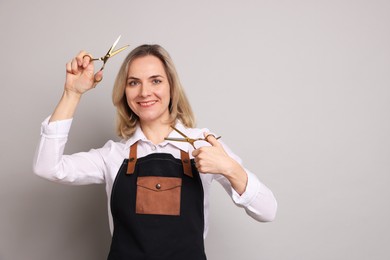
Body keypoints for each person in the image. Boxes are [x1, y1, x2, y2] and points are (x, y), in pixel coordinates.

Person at [33, 44, 277, 259]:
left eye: (156, 80)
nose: (144, 92)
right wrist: (72, 93)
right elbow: (47, 167)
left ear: (172, 87)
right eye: (133, 82)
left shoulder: (204, 145)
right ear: (124, 92)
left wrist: (230, 168)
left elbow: (268, 211)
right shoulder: (113, 155)